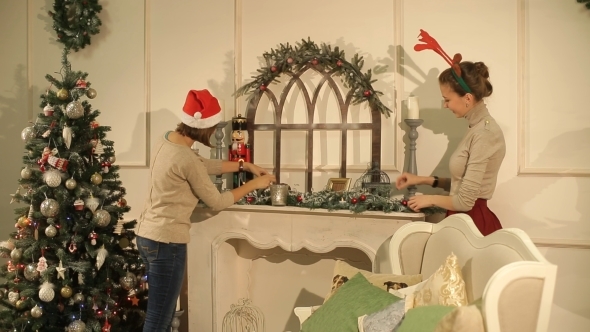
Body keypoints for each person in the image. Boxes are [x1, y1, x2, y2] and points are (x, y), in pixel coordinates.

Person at [135, 89, 276, 332]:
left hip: (147, 235)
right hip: (166, 243)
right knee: (159, 321)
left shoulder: (167, 139)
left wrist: (245, 165)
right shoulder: (185, 158)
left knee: (159, 317)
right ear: (204, 127)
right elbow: (217, 202)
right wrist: (254, 184)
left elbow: (201, 165)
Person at [396, 30, 506, 236]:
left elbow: (465, 200)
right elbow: (461, 184)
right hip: (462, 222)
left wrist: (427, 199)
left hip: (473, 228)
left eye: (447, 99)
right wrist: (421, 180)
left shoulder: (485, 133)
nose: (445, 105)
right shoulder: (476, 128)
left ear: (467, 98)